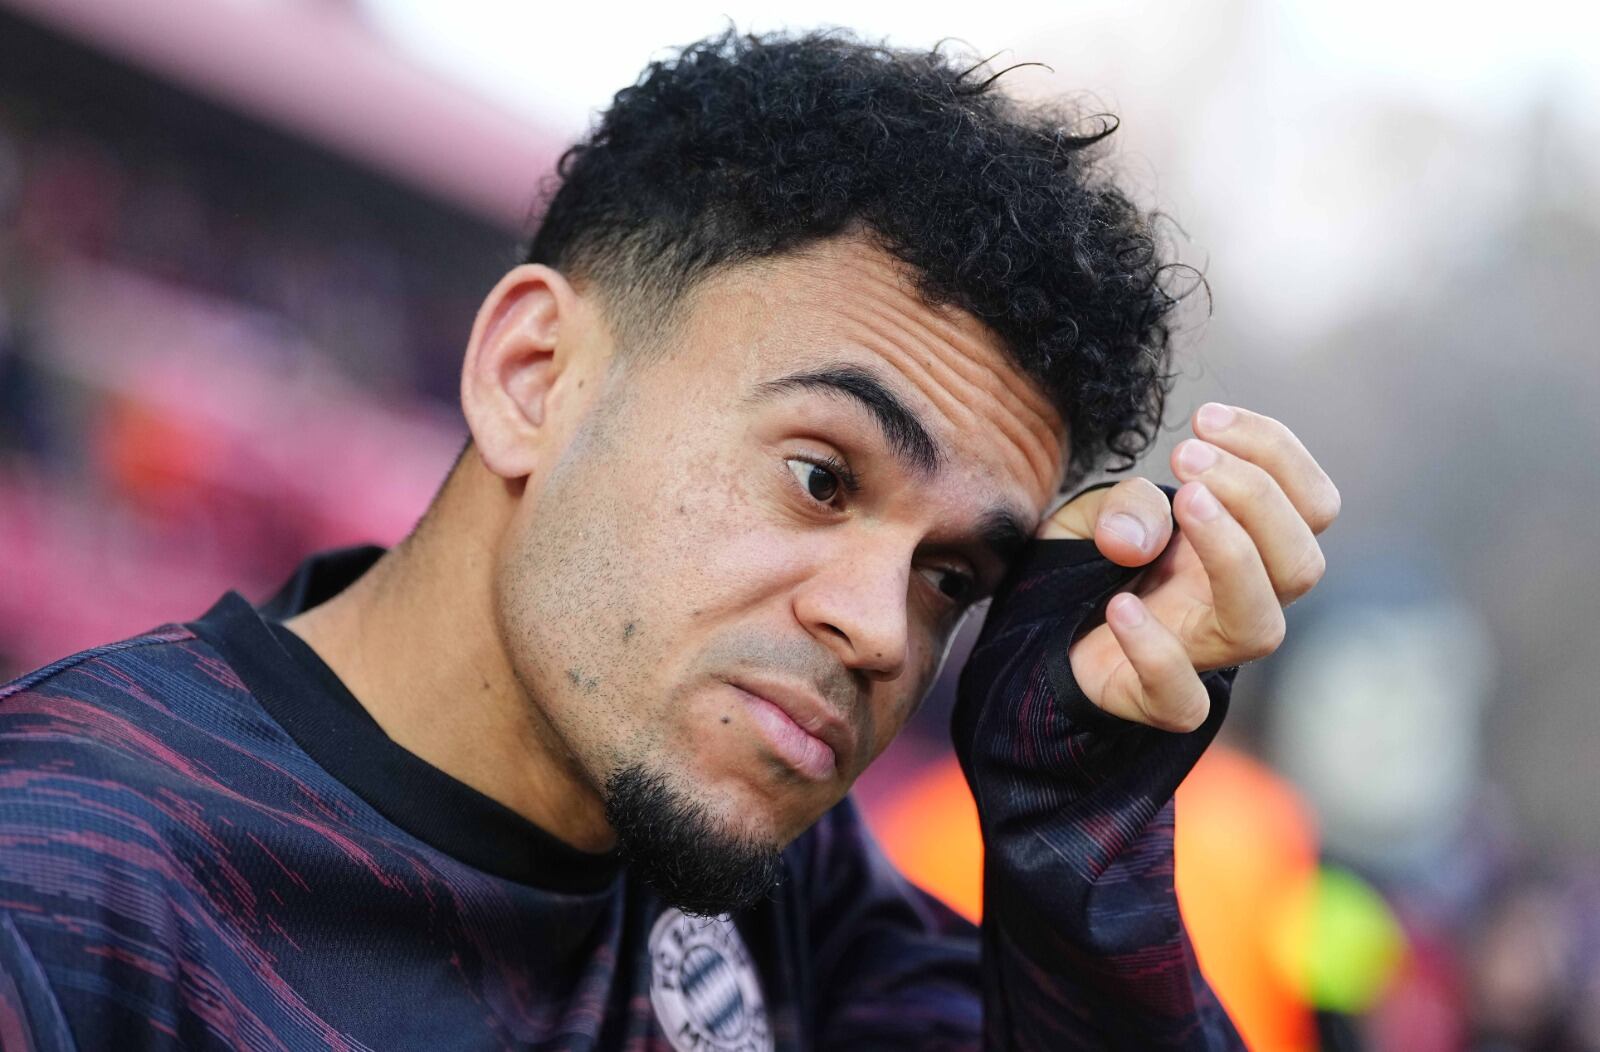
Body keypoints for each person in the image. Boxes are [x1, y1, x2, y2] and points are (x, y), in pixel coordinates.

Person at [0, 29, 1338, 1051]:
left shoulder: (785, 893)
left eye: (952, 578)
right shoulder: (69, 890)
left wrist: (1071, 845)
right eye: (821, 476)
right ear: (534, 377)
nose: (881, 629)